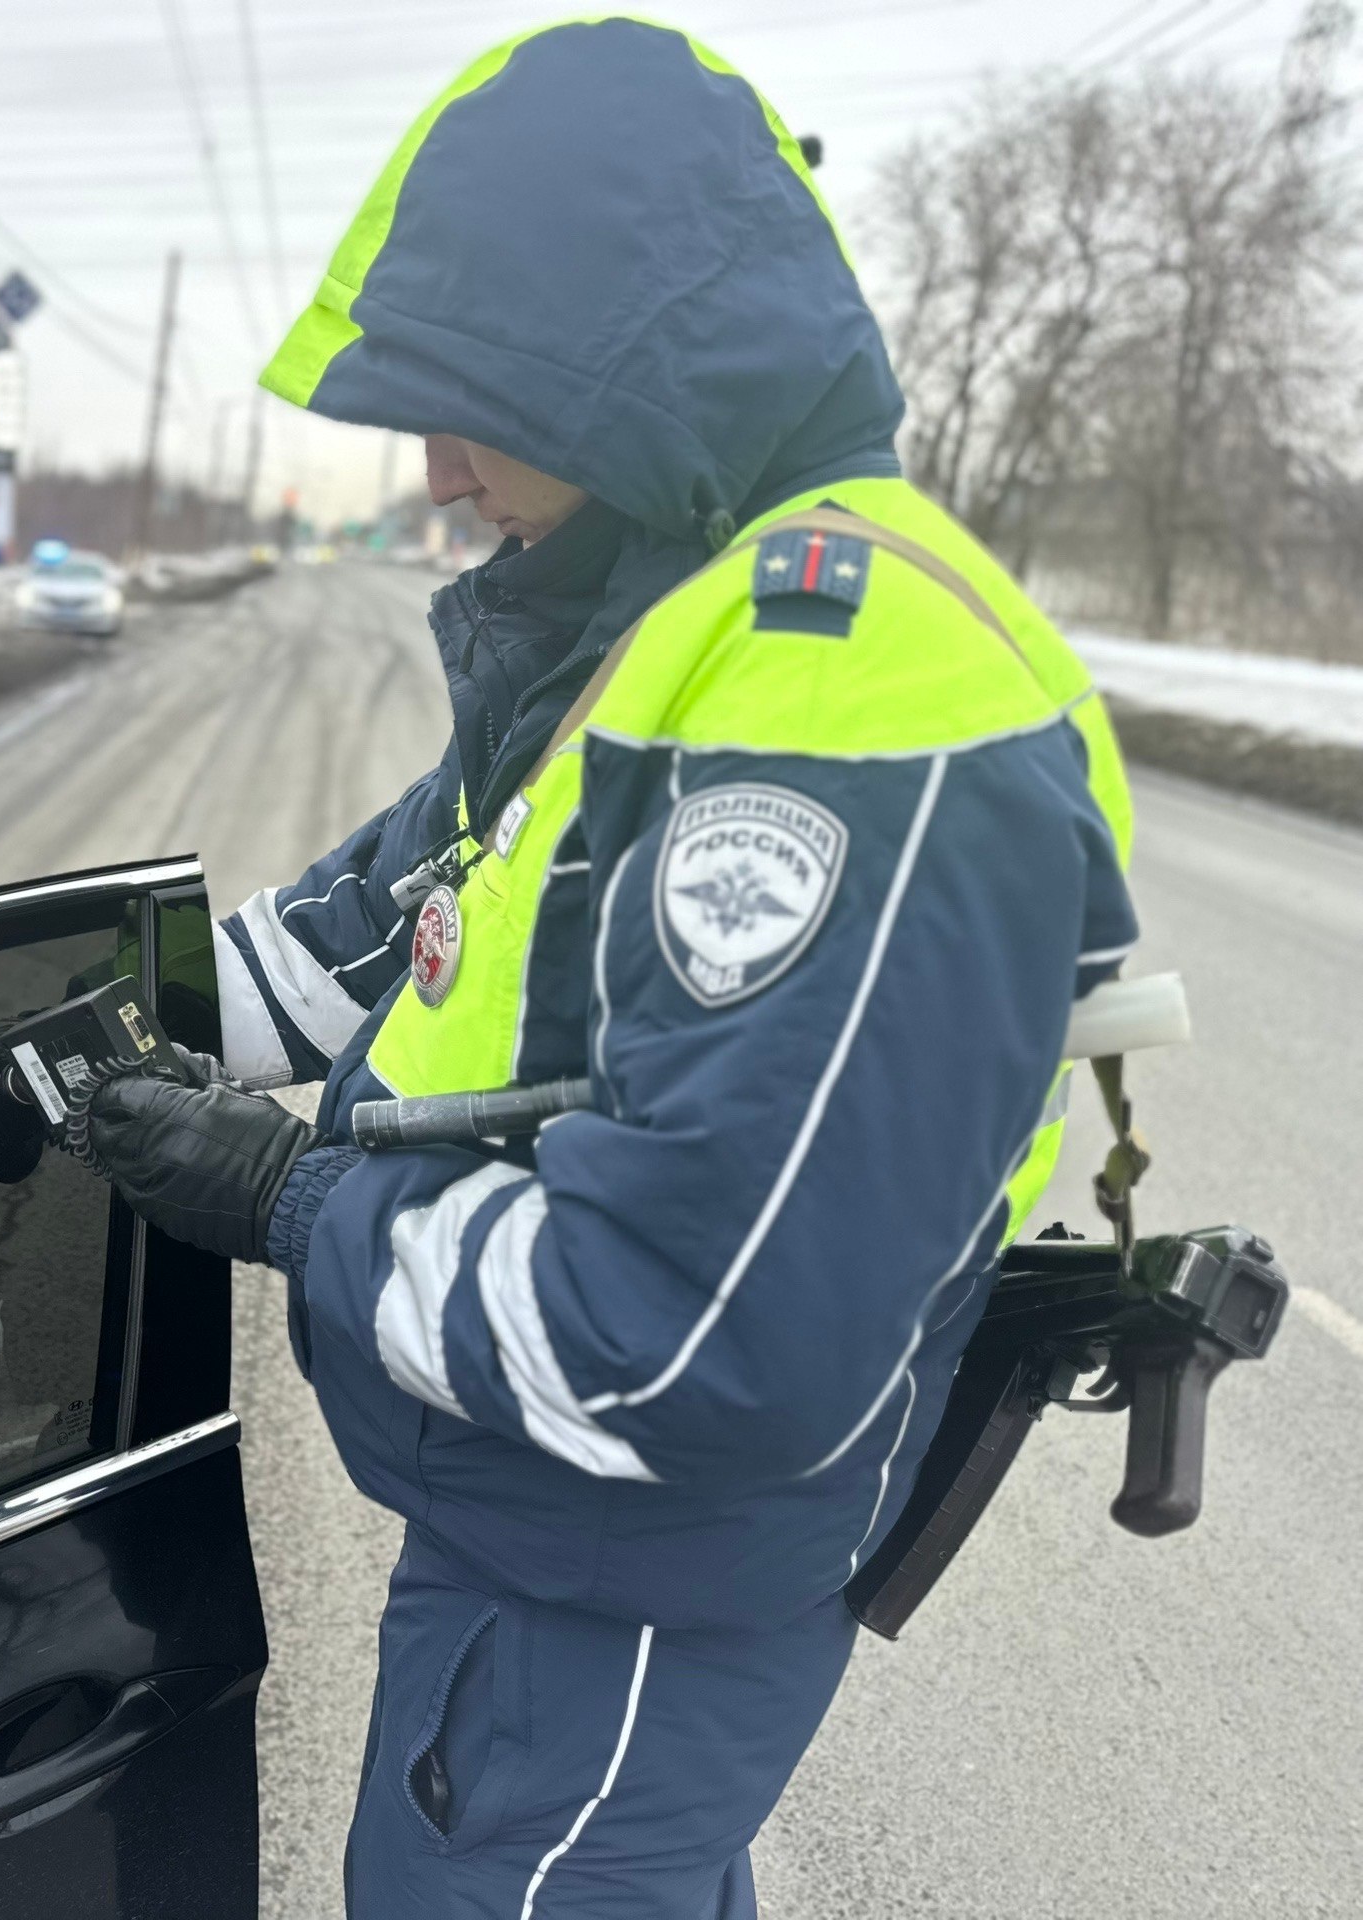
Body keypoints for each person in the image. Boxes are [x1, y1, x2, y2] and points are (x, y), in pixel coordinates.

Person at [78, 20, 1136, 1918]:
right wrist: (83, 1028)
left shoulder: (839, 688)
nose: (437, 467)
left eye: (473, 397)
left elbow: (696, 1343)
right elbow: (402, 914)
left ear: (615, 362)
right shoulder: (661, 627)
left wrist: (288, 1198)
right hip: (544, 1540)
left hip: (629, 1583)